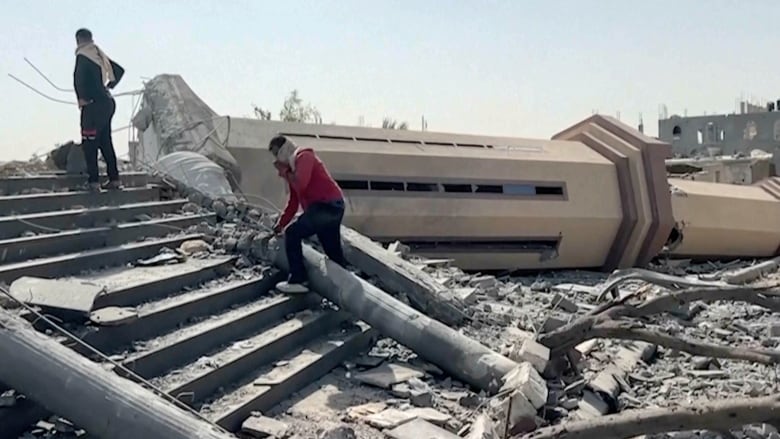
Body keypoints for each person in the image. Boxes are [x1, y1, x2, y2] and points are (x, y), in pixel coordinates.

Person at [269, 135, 348, 294]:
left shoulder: (304, 156)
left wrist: (285, 172)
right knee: (332, 251)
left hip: (326, 206)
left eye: (277, 153)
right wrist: (281, 223)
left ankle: (298, 279)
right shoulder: (293, 168)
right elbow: (293, 201)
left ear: (284, 150)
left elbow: (301, 184)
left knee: (293, 233)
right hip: (329, 208)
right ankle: (344, 286)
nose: (276, 159)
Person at [73, 28, 125, 191]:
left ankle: (93, 182)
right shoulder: (97, 54)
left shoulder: (82, 55)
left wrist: (81, 98)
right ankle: (114, 179)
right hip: (107, 102)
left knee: (89, 143)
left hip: (93, 105)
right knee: (105, 142)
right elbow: (119, 70)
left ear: (78, 40)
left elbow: (78, 78)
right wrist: (108, 86)